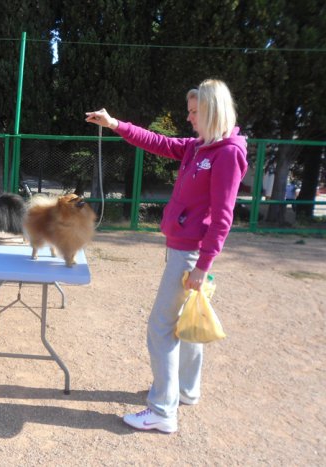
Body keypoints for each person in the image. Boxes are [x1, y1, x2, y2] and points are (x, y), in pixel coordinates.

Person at [85, 79, 248, 433]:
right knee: (185, 323)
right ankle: (186, 391)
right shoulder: (198, 147)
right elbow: (157, 142)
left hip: (190, 255)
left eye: (194, 112)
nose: (189, 118)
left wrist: (203, 266)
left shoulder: (227, 153)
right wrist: (115, 125)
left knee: (160, 328)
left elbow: (223, 217)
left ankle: (161, 410)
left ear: (212, 111)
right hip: (182, 248)